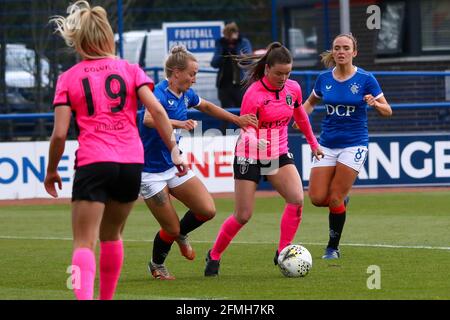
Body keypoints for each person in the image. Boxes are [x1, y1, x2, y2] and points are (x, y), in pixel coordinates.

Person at [44, 1, 186, 300]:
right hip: (131, 164)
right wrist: (174, 149)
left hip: (94, 161)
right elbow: (158, 112)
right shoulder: (130, 70)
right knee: (112, 236)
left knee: (84, 242)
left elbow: (59, 134)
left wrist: (52, 170)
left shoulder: (69, 78)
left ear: (79, 39)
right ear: (108, 36)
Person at [204, 42, 324, 277]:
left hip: (277, 153)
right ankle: (215, 254)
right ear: (267, 69)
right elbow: (244, 126)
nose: (283, 77)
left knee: (297, 199)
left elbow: (300, 116)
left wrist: (314, 144)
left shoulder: (293, 89)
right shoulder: (254, 93)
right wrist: (253, 138)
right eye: (279, 73)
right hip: (249, 154)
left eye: (287, 73)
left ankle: (283, 252)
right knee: (243, 215)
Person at [139, 45, 258, 280]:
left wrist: (237, 119)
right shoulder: (158, 93)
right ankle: (157, 264)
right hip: (150, 171)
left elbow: (206, 106)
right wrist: (178, 123)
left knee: (206, 210)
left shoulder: (186, 94)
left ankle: (181, 233)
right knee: (170, 228)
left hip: (174, 164)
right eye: (191, 74)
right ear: (175, 73)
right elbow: (149, 118)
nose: (194, 79)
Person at [300, 33, 392, 259]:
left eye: (345, 48)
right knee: (317, 198)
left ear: (354, 52)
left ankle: (332, 247)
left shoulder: (366, 78)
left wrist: (375, 103)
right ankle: (341, 201)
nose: (341, 52)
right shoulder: (324, 78)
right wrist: (299, 118)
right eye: (337, 48)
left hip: (354, 144)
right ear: (333, 52)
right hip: (327, 144)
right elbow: (311, 102)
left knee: (334, 199)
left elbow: (388, 111)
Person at [211, 22, 252, 133]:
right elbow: (214, 63)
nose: (229, 40)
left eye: (231, 36)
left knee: (243, 110)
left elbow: (249, 60)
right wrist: (224, 53)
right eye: (227, 37)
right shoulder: (220, 43)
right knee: (225, 112)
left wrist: (236, 53)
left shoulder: (243, 42)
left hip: (240, 84)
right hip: (224, 84)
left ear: (236, 34)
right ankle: (223, 136)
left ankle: (246, 134)